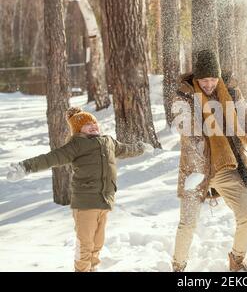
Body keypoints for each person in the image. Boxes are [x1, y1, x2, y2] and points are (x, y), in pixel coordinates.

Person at [6, 107, 150, 272]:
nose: (93, 126)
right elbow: (51, 158)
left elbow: (125, 149)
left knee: (98, 243)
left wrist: (141, 148)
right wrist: (25, 167)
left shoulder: (108, 141)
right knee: (85, 243)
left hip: (105, 200)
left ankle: (92, 268)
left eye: (94, 122)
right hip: (86, 202)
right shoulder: (76, 145)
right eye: (87, 124)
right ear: (78, 129)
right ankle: (81, 269)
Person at [171, 49, 247, 272]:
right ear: (197, 78)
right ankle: (178, 267)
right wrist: (198, 158)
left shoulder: (231, 94)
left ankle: (236, 260)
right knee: (187, 224)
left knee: (246, 217)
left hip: (225, 167)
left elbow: (246, 119)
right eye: (204, 80)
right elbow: (189, 131)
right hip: (195, 170)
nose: (209, 84)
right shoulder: (185, 96)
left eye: (213, 79)